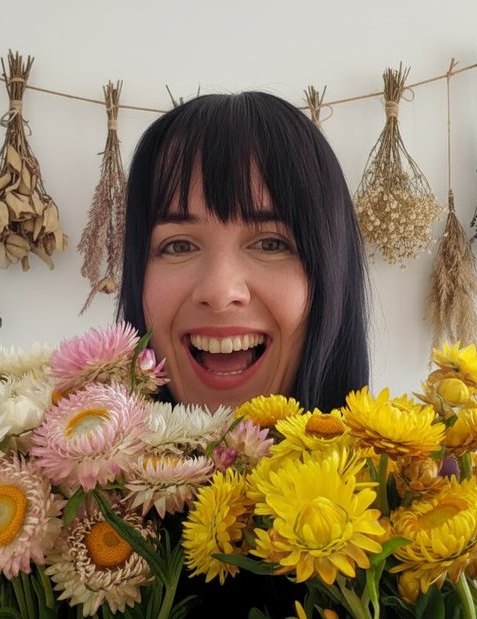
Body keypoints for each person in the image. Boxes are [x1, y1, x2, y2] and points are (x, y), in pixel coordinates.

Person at [117, 91, 371, 618]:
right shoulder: (26, 540)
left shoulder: (450, 550)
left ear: (331, 277)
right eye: (178, 244)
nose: (220, 290)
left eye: (272, 242)